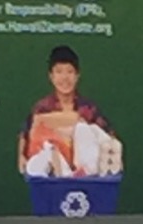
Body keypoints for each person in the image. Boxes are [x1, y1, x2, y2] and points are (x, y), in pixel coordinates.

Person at [19, 46, 121, 179]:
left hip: (87, 180)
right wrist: (21, 156)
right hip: (52, 178)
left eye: (70, 71)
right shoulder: (42, 107)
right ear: (51, 76)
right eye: (59, 72)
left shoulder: (88, 108)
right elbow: (25, 133)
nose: (64, 78)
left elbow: (109, 136)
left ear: (77, 75)